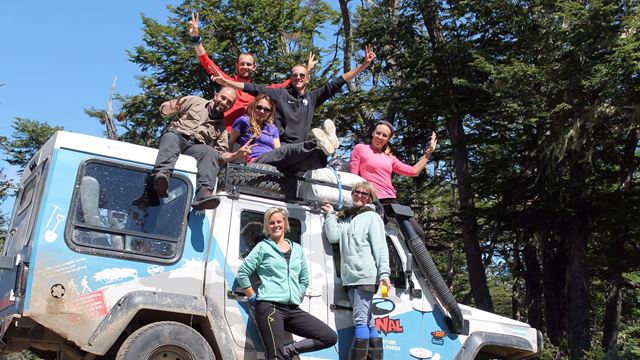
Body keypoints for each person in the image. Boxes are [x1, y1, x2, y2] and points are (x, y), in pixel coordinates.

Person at [212, 46, 377, 173]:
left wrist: (364, 65)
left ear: (307, 79)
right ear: (290, 79)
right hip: (280, 148)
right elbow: (251, 87)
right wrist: (227, 83)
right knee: (298, 150)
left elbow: (337, 83)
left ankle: (324, 144)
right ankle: (317, 143)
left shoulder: (311, 98)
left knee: (319, 158)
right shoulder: (279, 94)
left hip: (299, 151)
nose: (298, 77)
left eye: (302, 75)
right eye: (295, 75)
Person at [188, 12, 318, 132]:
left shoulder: (258, 91)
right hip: (220, 133)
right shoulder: (226, 81)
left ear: (254, 67)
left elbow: (284, 85)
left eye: (249, 64)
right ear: (236, 65)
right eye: (242, 64)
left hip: (245, 139)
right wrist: (196, 40)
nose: (245, 66)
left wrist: (306, 71)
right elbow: (207, 63)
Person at [236, 207, 337, 360]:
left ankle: (288, 351)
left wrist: (296, 293)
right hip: (270, 307)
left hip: (292, 309)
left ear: (285, 223)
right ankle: (280, 354)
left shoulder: (297, 249)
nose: (276, 225)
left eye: (279, 221)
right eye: (271, 223)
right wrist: (252, 297)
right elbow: (242, 273)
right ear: (267, 227)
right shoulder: (263, 247)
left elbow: (304, 279)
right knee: (275, 357)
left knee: (329, 337)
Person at [147, 87, 253, 210]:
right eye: (223, 98)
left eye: (229, 102)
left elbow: (221, 155)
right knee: (171, 137)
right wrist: (169, 108)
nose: (224, 103)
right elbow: (164, 109)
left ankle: (204, 194)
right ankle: (161, 177)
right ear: (216, 94)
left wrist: (236, 155)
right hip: (176, 136)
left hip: (194, 147)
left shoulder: (221, 127)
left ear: (231, 106)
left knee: (210, 152)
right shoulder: (194, 101)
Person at [321, 182, 390, 360]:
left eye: (364, 194)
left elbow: (381, 248)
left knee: (360, 320)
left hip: (365, 276)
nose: (359, 195)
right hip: (350, 278)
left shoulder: (372, 218)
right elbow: (334, 236)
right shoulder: (346, 217)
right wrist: (330, 214)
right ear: (352, 194)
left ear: (370, 198)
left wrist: (384, 274)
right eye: (356, 192)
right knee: (368, 320)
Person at [350, 120, 438, 204]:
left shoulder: (390, 157)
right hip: (372, 199)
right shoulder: (360, 149)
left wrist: (428, 153)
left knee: (408, 220)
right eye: (378, 133)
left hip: (391, 199)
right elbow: (353, 177)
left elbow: (413, 171)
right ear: (373, 133)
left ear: (388, 139)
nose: (380, 137)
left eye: (384, 135)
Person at [228, 94, 280, 163]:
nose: (262, 111)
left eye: (266, 109)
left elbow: (278, 150)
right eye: (259, 107)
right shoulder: (244, 121)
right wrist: (228, 160)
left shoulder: (272, 128)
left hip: (272, 159)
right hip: (255, 159)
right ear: (253, 107)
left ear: (270, 113)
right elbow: (230, 142)